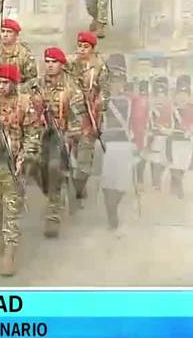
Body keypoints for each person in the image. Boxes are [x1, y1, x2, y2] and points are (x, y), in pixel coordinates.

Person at [0, 64, 41, 276]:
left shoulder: (24, 103)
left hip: (13, 163)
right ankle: (1, 237)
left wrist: (24, 157)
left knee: (11, 209)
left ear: (14, 83)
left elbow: (33, 134)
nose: (1, 86)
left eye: (5, 83)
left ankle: (9, 253)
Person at [33, 47, 84, 238]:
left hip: (60, 135)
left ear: (62, 64)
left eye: (54, 61)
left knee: (54, 167)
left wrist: (71, 136)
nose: (50, 65)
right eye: (47, 61)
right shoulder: (37, 85)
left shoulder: (71, 87)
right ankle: (54, 190)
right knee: (34, 167)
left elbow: (77, 115)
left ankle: (53, 213)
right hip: (39, 134)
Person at [67, 31, 107, 202]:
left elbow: (105, 92)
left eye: (86, 47)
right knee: (68, 155)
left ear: (92, 48)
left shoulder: (99, 67)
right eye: (80, 46)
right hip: (69, 116)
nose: (82, 49)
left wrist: (98, 107)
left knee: (84, 162)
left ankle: (79, 185)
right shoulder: (70, 64)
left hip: (88, 118)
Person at [100, 70, 138, 231]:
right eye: (113, 82)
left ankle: (113, 207)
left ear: (123, 83)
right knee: (107, 183)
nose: (116, 85)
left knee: (122, 185)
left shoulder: (130, 101)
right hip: (106, 145)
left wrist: (138, 142)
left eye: (119, 81)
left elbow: (137, 121)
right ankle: (111, 213)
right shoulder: (100, 100)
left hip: (123, 144)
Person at [0, 19, 38, 91]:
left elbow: (32, 80)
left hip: (19, 93)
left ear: (16, 35)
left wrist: (16, 89)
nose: (5, 35)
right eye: (3, 31)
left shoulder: (25, 55)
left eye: (9, 32)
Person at [169, 75, 193, 198]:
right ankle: (179, 186)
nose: (183, 97)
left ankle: (176, 183)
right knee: (175, 165)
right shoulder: (171, 109)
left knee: (183, 166)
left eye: (185, 94)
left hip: (187, 141)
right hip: (174, 140)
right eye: (180, 93)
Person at [148, 76, 172, 191]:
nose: (160, 91)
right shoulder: (151, 101)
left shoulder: (169, 102)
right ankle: (156, 181)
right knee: (155, 159)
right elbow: (148, 117)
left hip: (166, 134)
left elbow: (172, 118)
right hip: (155, 133)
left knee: (163, 160)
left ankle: (157, 179)